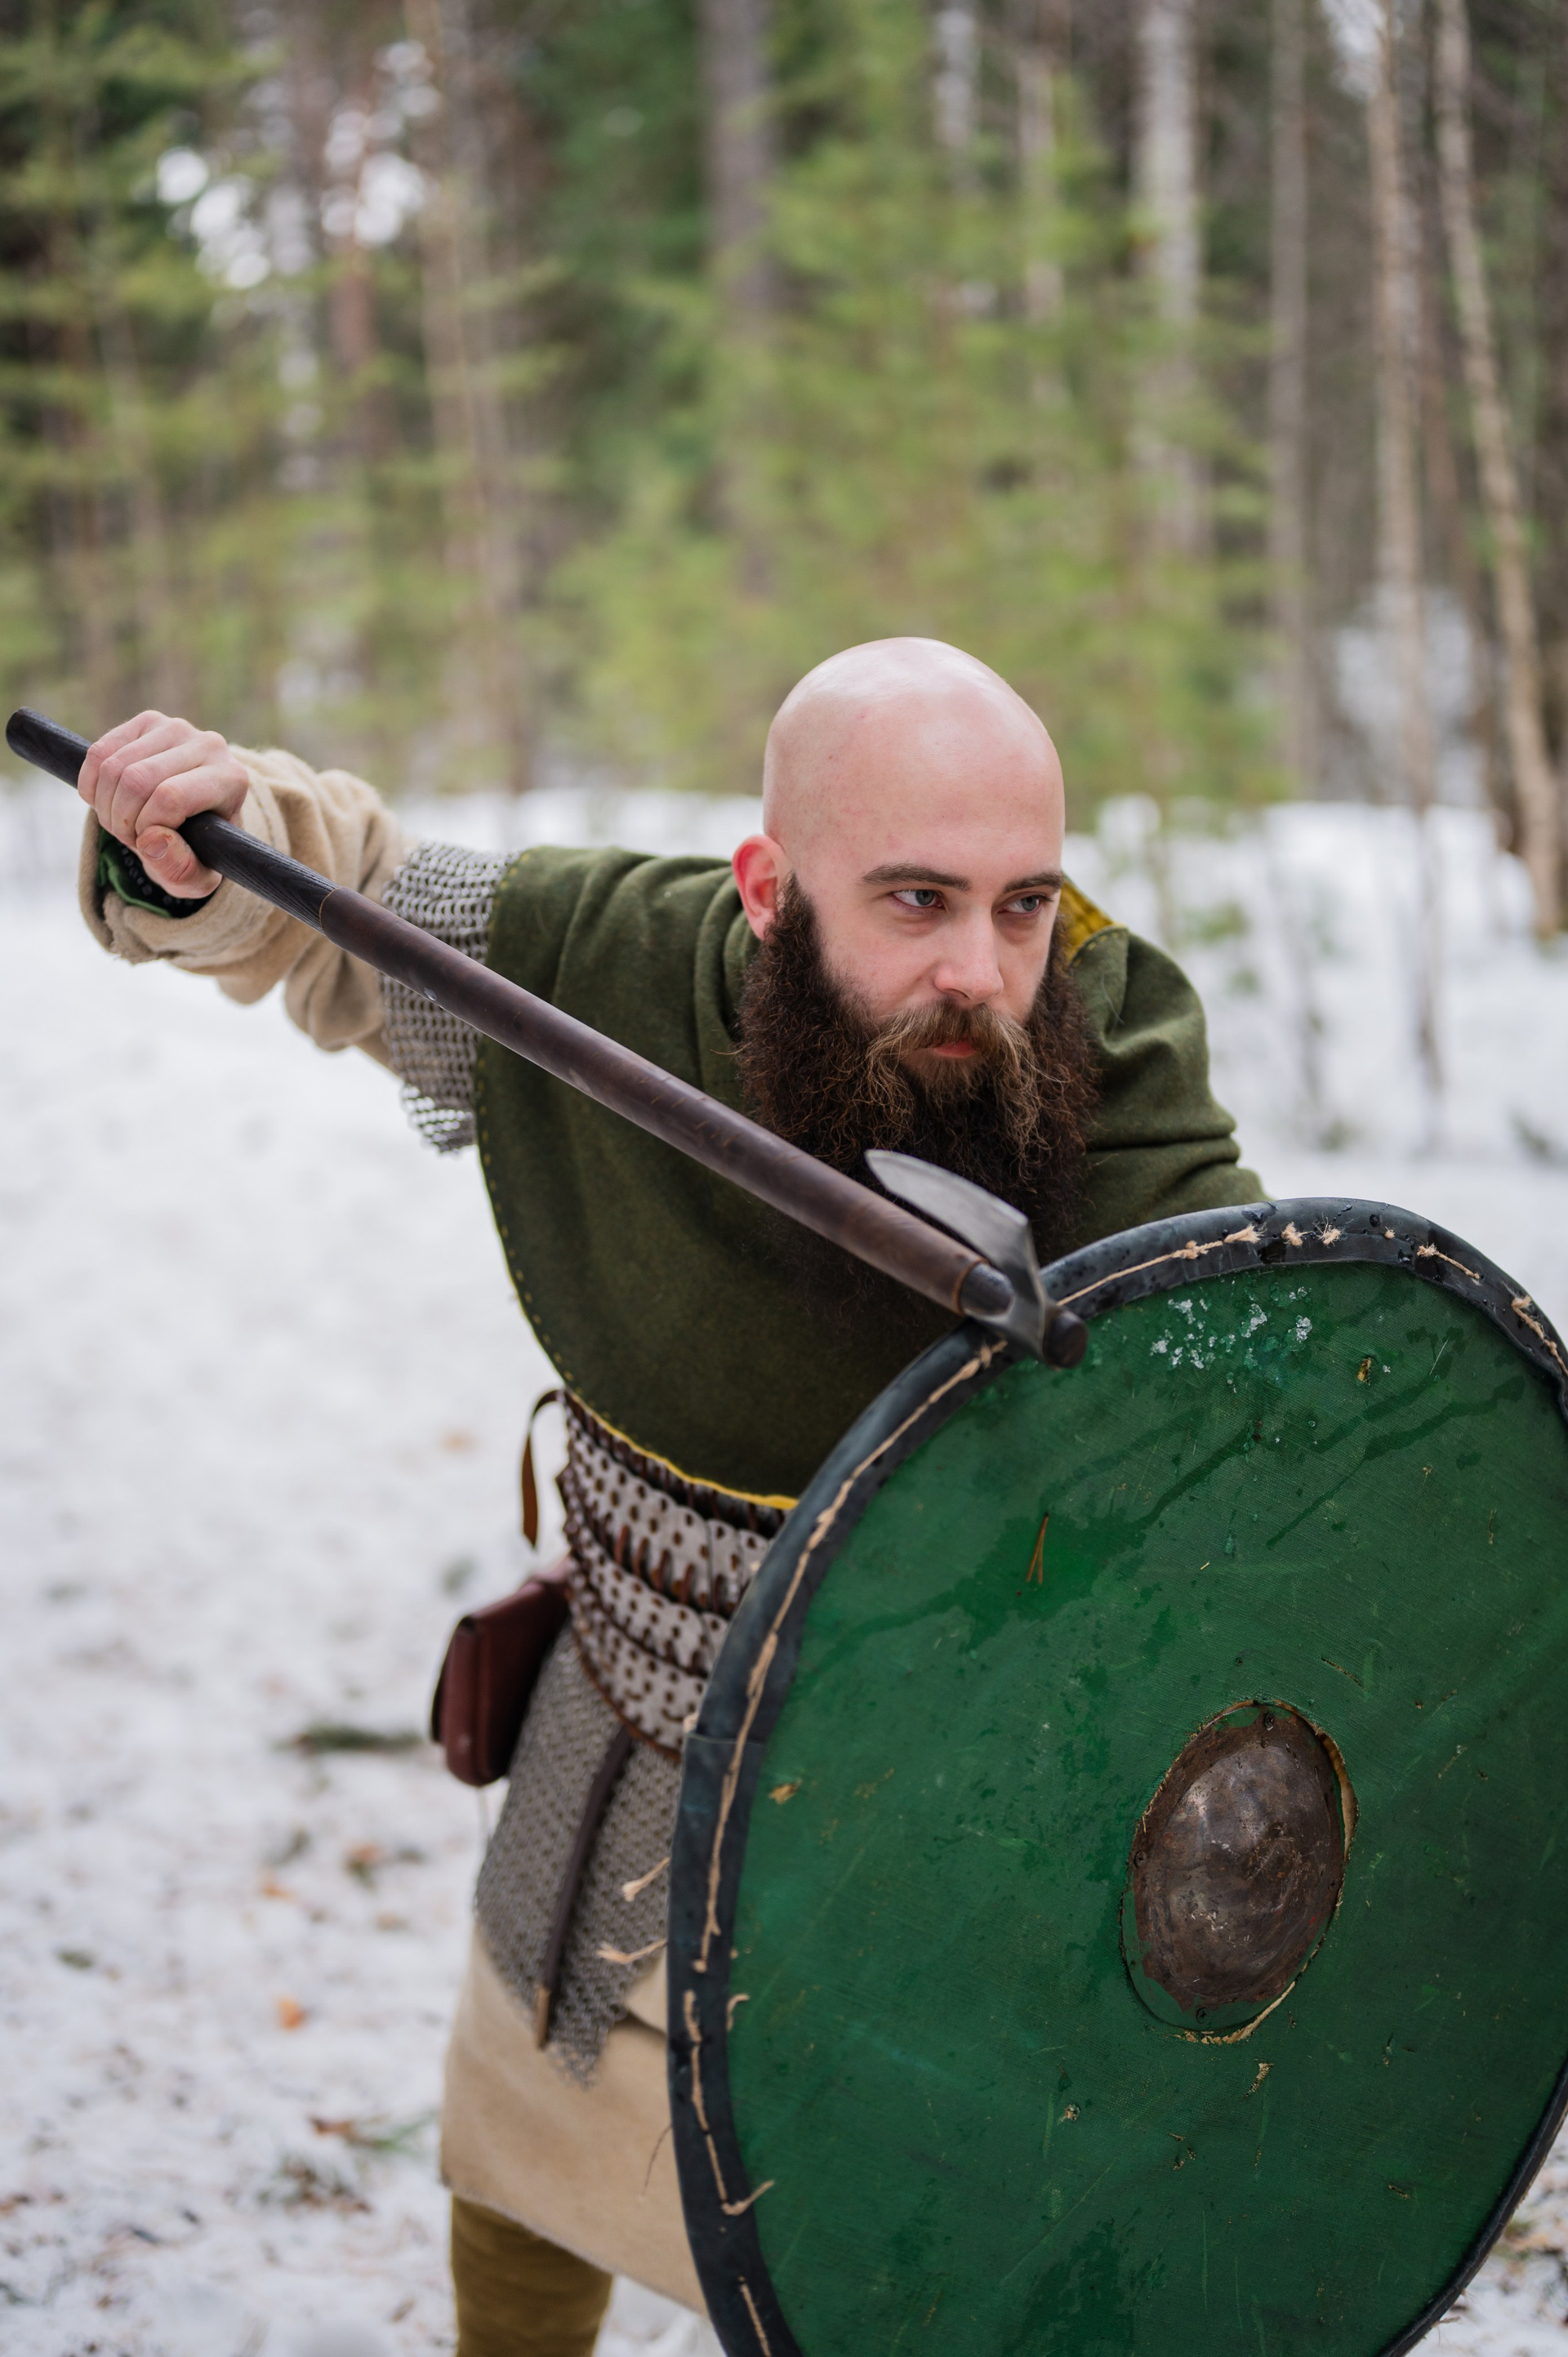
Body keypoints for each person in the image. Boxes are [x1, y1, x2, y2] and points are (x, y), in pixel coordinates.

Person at [74, 636, 1259, 2356]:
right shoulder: (594, 964)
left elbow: (1249, 1370)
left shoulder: (1111, 1040)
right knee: (529, 2135)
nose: (982, 970)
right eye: (915, 900)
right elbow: (343, 904)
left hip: (968, 1770)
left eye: (1026, 904)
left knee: (916, 2241)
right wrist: (207, 827)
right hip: (631, 1718)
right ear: (767, 889)